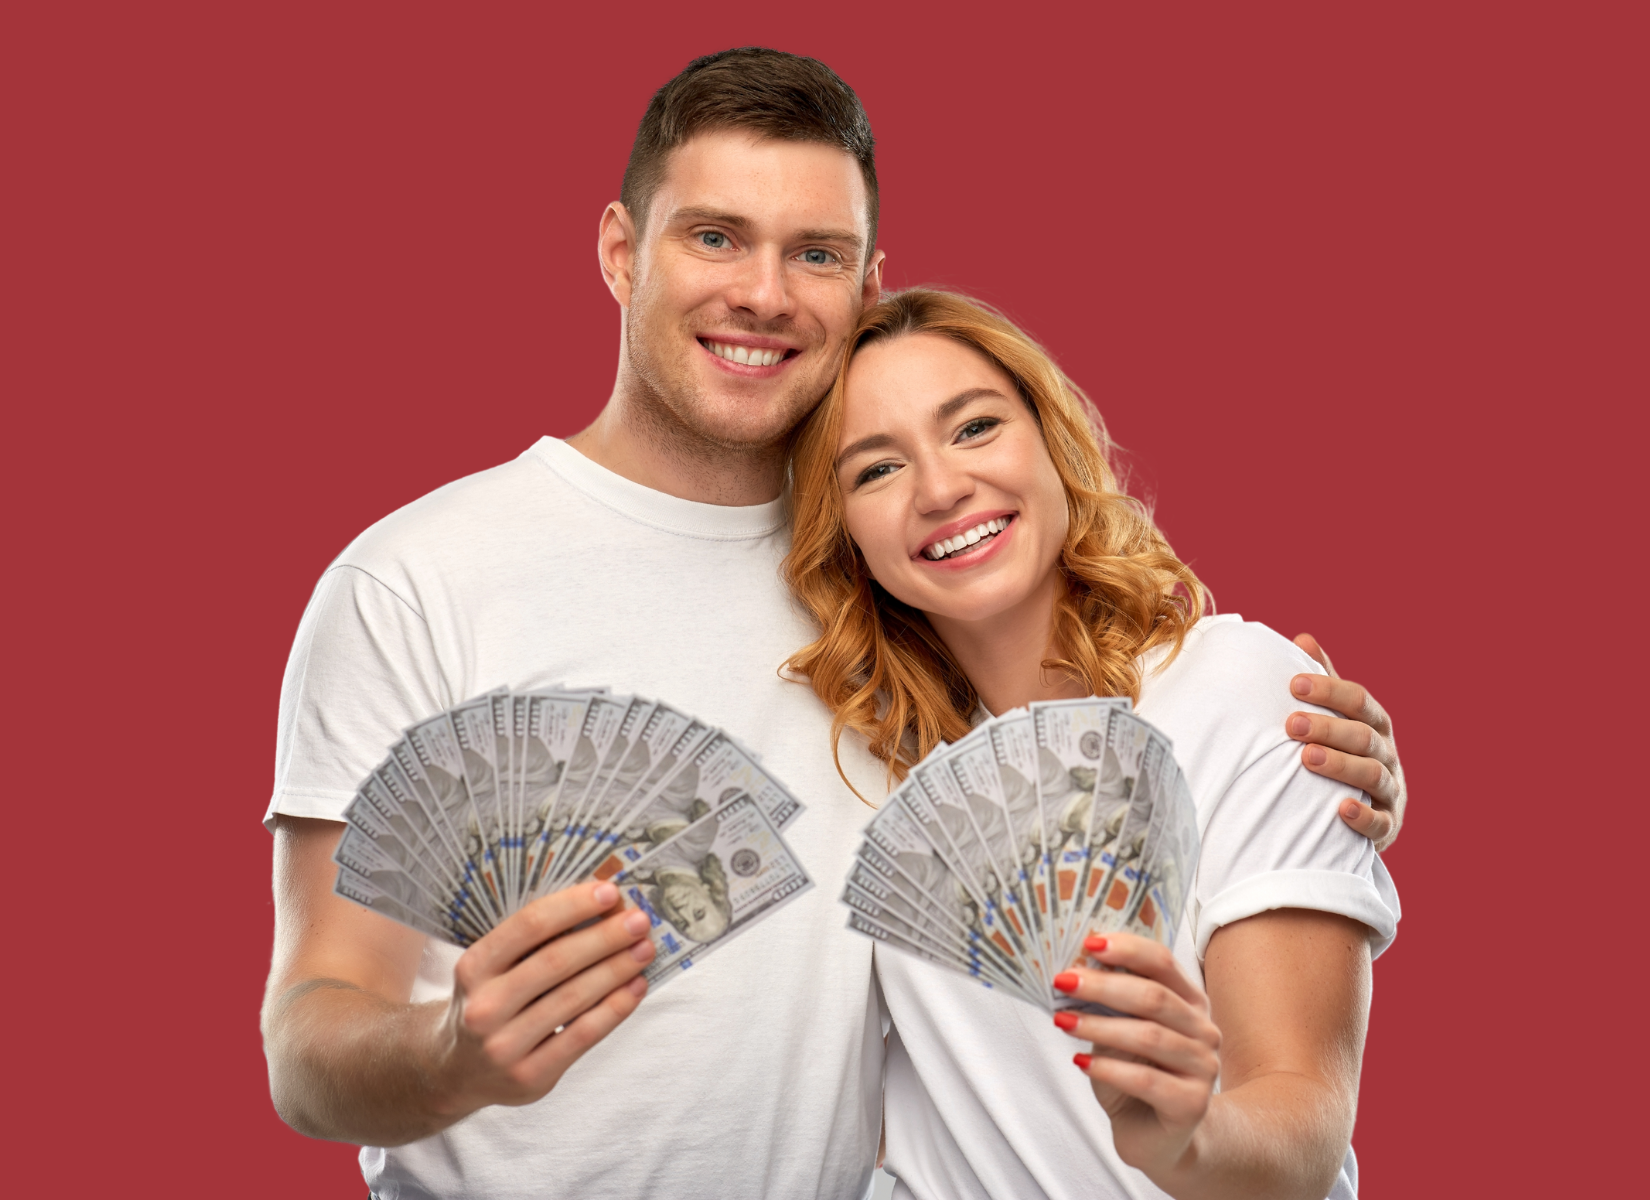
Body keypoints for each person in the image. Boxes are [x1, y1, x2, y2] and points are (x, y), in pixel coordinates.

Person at [259, 48, 1408, 1198]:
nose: (763, 292)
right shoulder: (415, 581)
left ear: (862, 284)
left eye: (815, 252)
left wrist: (1317, 758)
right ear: (620, 251)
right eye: (713, 236)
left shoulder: (889, 607)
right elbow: (311, 1043)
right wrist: (453, 1056)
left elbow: (1148, 716)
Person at [783, 287, 1401, 1198]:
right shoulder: (869, 769)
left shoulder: (1234, 689)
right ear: (844, 540)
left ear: (1050, 439)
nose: (941, 488)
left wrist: (1187, 1141)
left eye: (975, 427)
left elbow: (1302, 1120)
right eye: (875, 470)